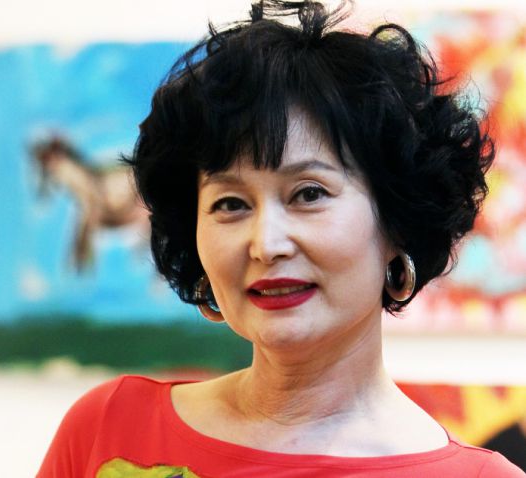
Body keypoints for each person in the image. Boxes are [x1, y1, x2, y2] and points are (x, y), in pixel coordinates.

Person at [38, 1, 525, 476]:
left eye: (308, 194)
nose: (266, 244)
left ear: (397, 220)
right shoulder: (109, 429)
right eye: (231, 203)